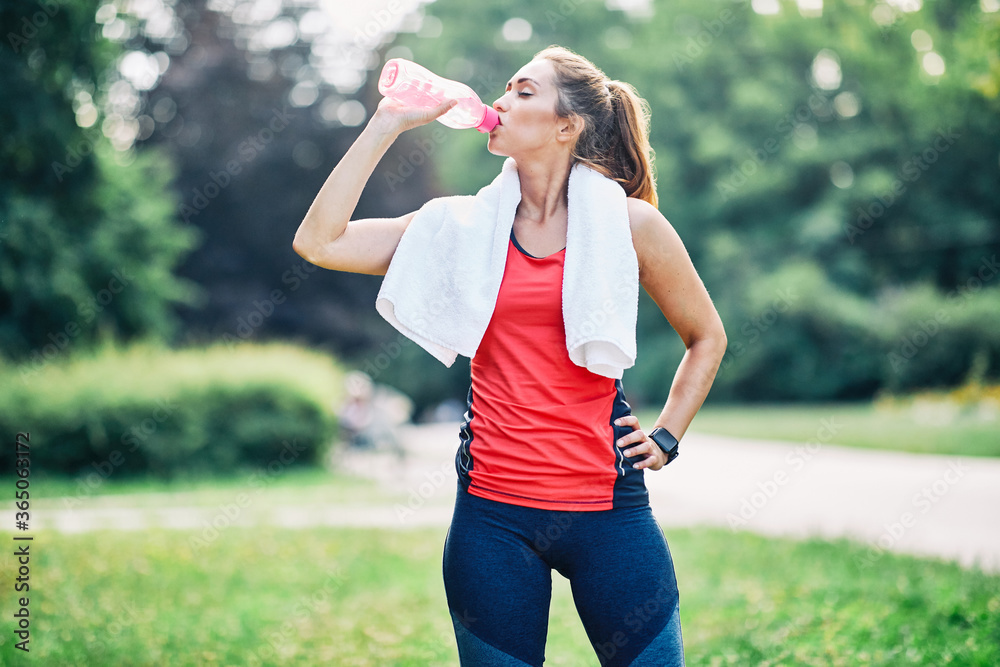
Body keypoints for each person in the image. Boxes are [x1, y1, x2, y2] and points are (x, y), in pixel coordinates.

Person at [293, 45, 726, 667]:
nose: (499, 101)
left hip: (609, 512)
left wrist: (666, 437)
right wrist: (387, 122)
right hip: (491, 518)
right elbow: (319, 242)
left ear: (566, 126)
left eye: (524, 91)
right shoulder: (459, 228)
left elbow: (706, 336)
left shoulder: (629, 225)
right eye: (505, 88)